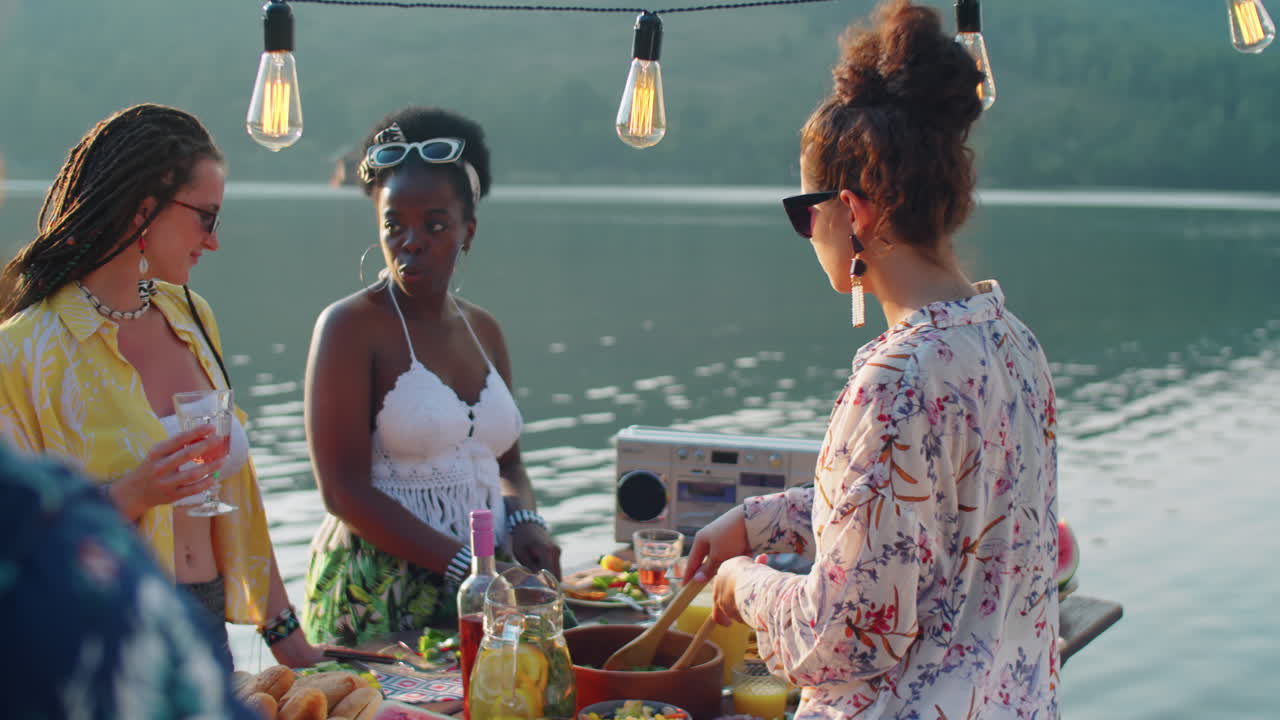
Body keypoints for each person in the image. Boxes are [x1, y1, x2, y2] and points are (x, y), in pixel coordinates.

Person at [683, 2, 1060, 717]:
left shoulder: (896, 380)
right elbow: (924, 515)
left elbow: (847, 633)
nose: (806, 232)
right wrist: (761, 521)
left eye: (804, 210)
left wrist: (741, 583)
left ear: (852, 212)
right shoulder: (1013, 344)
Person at [0, 103, 323, 668]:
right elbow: (14, 536)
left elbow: (238, 491)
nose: (213, 240)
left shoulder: (193, 316)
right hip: (101, 642)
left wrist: (290, 641)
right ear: (143, 212)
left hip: (205, 625)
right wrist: (130, 494)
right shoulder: (23, 351)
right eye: (206, 217)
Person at [301, 106, 562, 646]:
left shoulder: (484, 330)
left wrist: (526, 521)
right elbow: (342, 492)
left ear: (468, 230)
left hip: (488, 583)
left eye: (435, 224)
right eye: (395, 224)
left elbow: (507, 463)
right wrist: (473, 566)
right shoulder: (350, 327)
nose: (411, 240)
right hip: (379, 592)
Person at [0, 441, 259, 719]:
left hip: (178, 600)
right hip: (103, 588)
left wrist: (282, 628)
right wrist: (131, 493)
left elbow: (242, 500)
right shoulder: (50, 521)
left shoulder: (58, 508)